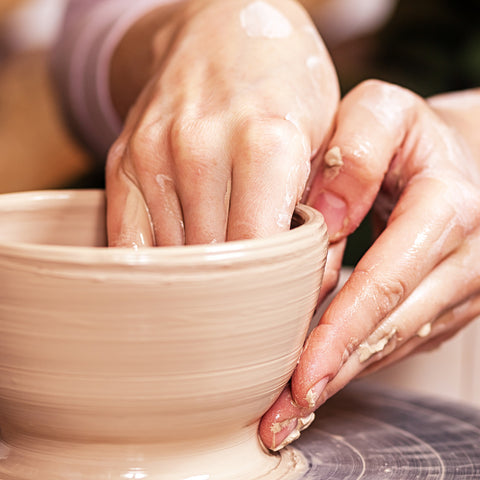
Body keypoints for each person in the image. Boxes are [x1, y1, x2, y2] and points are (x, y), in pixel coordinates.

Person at [51, 0, 480, 451]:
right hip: (262, 135)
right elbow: (83, 29)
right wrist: (192, 25)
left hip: (423, 196)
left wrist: (468, 134)